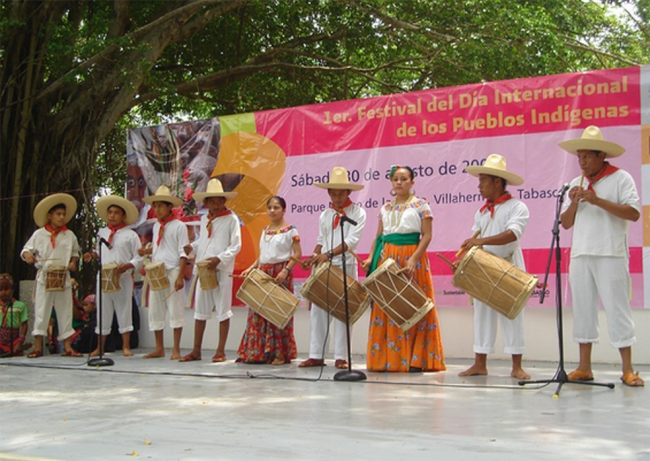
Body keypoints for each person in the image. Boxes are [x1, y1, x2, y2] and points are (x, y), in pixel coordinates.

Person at [559, 125, 643, 387]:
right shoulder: (576, 183)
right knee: (583, 309)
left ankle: (628, 369)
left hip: (610, 253)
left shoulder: (621, 178)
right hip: (581, 253)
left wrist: (596, 201)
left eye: (586, 156)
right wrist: (574, 202)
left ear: (600, 156)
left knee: (617, 308)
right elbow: (565, 223)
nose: (582, 162)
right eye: (579, 157)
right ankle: (584, 367)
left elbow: (633, 213)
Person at [361, 165, 445, 372]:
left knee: (414, 305)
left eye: (404, 179)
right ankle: (388, 359)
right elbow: (379, 236)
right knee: (388, 306)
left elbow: (427, 235)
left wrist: (414, 259)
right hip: (387, 259)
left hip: (411, 259)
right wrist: (371, 258)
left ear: (412, 182)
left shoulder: (421, 205)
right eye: (395, 179)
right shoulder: (385, 209)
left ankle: (418, 359)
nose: (399, 182)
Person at [456, 154, 530, 379]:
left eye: (483, 181)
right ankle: (480, 363)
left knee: (512, 314)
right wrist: (463, 260)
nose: (479, 186)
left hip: (509, 265)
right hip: (483, 267)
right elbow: (475, 238)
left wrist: (479, 241)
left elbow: (512, 235)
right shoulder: (481, 212)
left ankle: (517, 366)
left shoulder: (517, 207)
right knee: (482, 315)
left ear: (497, 181)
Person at [301, 166, 366, 369]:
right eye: (334, 193)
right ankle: (316, 354)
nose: (337, 197)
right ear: (328, 193)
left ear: (348, 192)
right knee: (318, 310)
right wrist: (314, 256)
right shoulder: (325, 215)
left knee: (343, 310)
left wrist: (327, 255)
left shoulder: (358, 212)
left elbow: (351, 241)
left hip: (344, 265)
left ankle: (342, 356)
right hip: (324, 266)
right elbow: (321, 239)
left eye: (341, 193)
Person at [180, 179, 241, 363]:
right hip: (204, 269)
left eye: (219, 200)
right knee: (200, 310)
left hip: (221, 270)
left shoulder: (231, 219)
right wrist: (192, 247)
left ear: (224, 201)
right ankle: (196, 350)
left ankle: (220, 350)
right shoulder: (205, 219)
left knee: (223, 309)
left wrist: (219, 259)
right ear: (206, 203)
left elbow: (236, 245)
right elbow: (205, 241)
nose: (215, 204)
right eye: (211, 201)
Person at [237, 196, 301, 365]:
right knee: (257, 314)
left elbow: (297, 254)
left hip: (280, 274)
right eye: (270, 207)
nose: (272, 211)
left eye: (276, 207)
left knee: (278, 313)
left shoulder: (291, 230)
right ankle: (256, 352)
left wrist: (286, 270)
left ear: (284, 210)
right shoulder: (265, 230)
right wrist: (251, 268)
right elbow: (262, 255)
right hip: (263, 274)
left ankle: (280, 353)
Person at [21, 193, 81, 358]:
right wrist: (27, 256)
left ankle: (68, 346)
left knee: (65, 311)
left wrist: (73, 262)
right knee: (42, 310)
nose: (62, 217)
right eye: (58, 214)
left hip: (63, 277)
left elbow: (75, 252)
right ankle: (38, 346)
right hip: (45, 276)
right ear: (50, 215)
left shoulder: (69, 235)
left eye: (63, 214)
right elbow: (26, 250)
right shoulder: (39, 234)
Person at [83, 195, 142, 357]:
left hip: (122, 277)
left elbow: (139, 257)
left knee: (124, 310)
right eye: (110, 212)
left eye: (116, 212)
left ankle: (125, 346)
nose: (112, 215)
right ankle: (100, 347)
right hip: (104, 276)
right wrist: (92, 256)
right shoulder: (102, 232)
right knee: (103, 310)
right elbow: (98, 252)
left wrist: (127, 266)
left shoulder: (131, 235)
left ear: (123, 216)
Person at [138, 185, 188, 360]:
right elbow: (160, 249)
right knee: (155, 309)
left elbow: (183, 253)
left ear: (169, 206)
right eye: (155, 206)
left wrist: (180, 276)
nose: (157, 209)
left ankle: (176, 349)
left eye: (160, 206)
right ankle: (159, 348)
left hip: (173, 270)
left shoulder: (179, 226)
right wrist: (147, 253)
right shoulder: (156, 227)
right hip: (157, 270)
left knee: (176, 309)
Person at [0, 274, 29, 357]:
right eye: (0, 289)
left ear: (12, 289)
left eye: (6, 289)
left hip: (15, 341)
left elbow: (24, 324)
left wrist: (20, 341)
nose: (3, 292)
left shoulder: (20, 305)